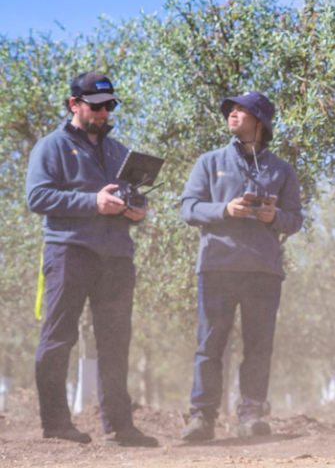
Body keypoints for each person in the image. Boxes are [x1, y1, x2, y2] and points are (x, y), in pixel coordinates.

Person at [25, 72, 157, 446]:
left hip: (116, 256)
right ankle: (56, 425)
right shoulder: (50, 146)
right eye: (96, 106)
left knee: (115, 341)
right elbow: (37, 197)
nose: (103, 113)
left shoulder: (118, 152)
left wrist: (137, 208)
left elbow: (129, 194)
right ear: (74, 105)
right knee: (58, 338)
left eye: (109, 105)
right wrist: (92, 202)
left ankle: (120, 427)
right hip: (68, 252)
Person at [178, 91, 303, 441]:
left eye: (240, 110)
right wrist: (224, 209)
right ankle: (201, 418)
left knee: (259, 346)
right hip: (218, 266)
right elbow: (188, 208)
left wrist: (273, 216)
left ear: (259, 120)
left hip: (263, 271)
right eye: (229, 110)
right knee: (210, 345)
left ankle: (251, 416)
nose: (232, 114)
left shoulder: (282, 169)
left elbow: (295, 220)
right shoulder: (209, 161)